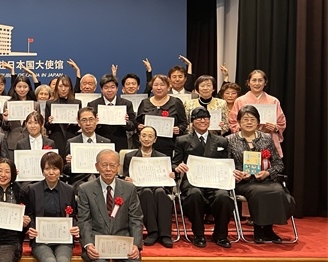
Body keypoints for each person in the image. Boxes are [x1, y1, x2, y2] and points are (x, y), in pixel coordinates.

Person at [78, 149, 146, 262]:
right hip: (97, 243)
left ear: (118, 167)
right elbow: (84, 220)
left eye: (112, 165)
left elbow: (136, 219)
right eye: (104, 165)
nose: (108, 169)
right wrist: (88, 244)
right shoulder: (85, 189)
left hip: (123, 242)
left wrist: (136, 244)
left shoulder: (129, 189)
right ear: (97, 166)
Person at [27, 151, 78, 262]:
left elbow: (74, 216)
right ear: (42, 170)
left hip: (63, 239)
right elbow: (29, 215)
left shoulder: (69, 190)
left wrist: (75, 227)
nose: (51, 172)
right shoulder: (33, 190)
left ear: (60, 170)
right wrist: (30, 228)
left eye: (55, 168)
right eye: (47, 168)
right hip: (41, 239)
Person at [227, 105, 291, 243]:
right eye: (245, 119)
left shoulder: (266, 138)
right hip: (243, 182)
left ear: (258, 122)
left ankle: (268, 229)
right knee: (258, 192)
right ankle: (258, 230)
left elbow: (279, 164)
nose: (249, 122)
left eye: (252, 119)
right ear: (239, 122)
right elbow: (225, 165)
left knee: (278, 190)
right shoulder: (230, 140)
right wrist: (237, 174)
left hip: (265, 179)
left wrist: (267, 173)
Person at [173, 107, 234, 248]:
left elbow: (228, 163)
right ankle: (198, 234)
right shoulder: (182, 140)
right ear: (192, 122)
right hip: (193, 182)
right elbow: (175, 163)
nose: (203, 121)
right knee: (194, 194)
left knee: (223, 196)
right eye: (198, 118)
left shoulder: (221, 141)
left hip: (216, 182)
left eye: (206, 118)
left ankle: (221, 234)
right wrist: (178, 167)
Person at [122, 126, 174, 248]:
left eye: (150, 136)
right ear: (139, 138)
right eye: (144, 136)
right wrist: (128, 179)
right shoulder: (130, 156)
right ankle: (153, 232)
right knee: (146, 192)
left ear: (155, 139)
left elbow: (168, 177)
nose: (146, 139)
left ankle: (165, 234)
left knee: (160, 192)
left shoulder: (162, 157)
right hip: (139, 188)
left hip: (158, 185)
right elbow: (125, 175)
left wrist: (171, 175)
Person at [229, 69, 287, 157]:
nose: (257, 83)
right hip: (244, 140)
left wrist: (275, 128)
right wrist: (243, 127)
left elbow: (281, 123)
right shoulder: (240, 101)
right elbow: (232, 122)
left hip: (268, 141)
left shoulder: (273, 101)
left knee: (268, 164)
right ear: (248, 83)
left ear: (265, 83)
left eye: (260, 80)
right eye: (254, 80)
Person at [136, 74, 188, 157]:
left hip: (169, 145)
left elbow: (184, 123)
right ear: (152, 87)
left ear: (168, 87)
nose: (159, 88)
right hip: (147, 145)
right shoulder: (144, 103)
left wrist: (179, 129)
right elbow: (137, 122)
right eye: (156, 85)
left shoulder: (176, 102)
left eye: (162, 85)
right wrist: (139, 126)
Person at [63, 107, 110, 189]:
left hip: (102, 180)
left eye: (91, 119)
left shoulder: (106, 142)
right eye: (84, 120)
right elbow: (65, 170)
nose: (88, 123)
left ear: (96, 120)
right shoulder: (72, 142)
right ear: (78, 123)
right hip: (80, 181)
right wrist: (69, 164)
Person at [88, 74, 136, 152]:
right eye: (106, 87)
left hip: (120, 142)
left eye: (112, 87)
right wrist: (96, 122)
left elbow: (133, 125)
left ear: (117, 89)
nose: (109, 90)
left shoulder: (126, 103)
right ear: (101, 89)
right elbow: (89, 126)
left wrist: (126, 122)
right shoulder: (93, 105)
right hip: (100, 142)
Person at [44, 75, 82, 156]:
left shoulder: (77, 103)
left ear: (70, 87)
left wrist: (77, 123)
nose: (63, 89)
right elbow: (46, 126)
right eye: (60, 86)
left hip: (72, 138)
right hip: (56, 139)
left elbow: (79, 126)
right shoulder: (50, 103)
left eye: (66, 86)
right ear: (56, 87)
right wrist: (50, 122)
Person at [0, 74, 37, 157]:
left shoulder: (35, 105)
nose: (22, 89)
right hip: (12, 143)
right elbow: (4, 128)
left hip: (30, 141)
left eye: (25, 87)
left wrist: (36, 117)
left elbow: (40, 125)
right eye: (19, 87)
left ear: (29, 88)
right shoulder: (8, 104)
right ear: (15, 88)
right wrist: (5, 120)